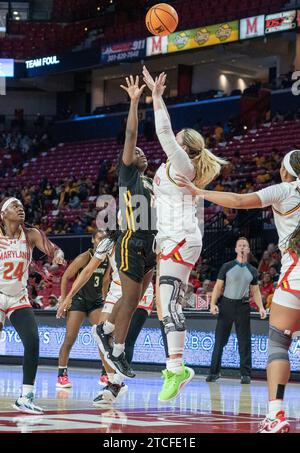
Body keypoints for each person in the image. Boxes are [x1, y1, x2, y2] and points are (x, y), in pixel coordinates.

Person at [176, 149, 300, 433]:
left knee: (279, 345)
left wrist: (198, 191)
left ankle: (276, 415)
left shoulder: (285, 190)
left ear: (285, 171)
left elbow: (239, 201)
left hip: (295, 281)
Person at [142, 67, 227, 401]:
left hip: (180, 236)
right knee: (166, 307)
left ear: (185, 148)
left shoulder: (183, 165)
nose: (171, 142)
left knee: (169, 304)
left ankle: (176, 369)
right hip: (173, 236)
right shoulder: (172, 168)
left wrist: (158, 98)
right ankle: (177, 367)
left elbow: (164, 132)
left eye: (177, 142)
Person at [90, 75, 156, 379]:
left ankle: (105, 329)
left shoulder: (151, 182)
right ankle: (117, 352)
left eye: (144, 152)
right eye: (136, 151)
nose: (140, 152)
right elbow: (131, 135)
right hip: (131, 239)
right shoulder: (128, 174)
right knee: (130, 299)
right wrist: (134, 102)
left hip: (151, 243)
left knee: (137, 297)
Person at [57, 231, 154, 407]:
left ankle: (115, 385)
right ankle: (112, 380)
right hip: (115, 291)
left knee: (126, 339)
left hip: (140, 290)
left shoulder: (146, 237)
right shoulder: (108, 242)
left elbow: (153, 269)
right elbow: (86, 271)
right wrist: (67, 297)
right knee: (100, 336)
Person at [0, 197, 64, 414]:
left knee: (33, 340)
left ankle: (26, 396)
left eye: (21, 206)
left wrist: (58, 257)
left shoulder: (31, 234)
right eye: (14, 207)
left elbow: (54, 250)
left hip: (18, 296)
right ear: (3, 214)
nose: (20, 209)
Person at [205, 237, 266, 384]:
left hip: (243, 307)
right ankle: (214, 372)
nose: (243, 247)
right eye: (240, 245)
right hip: (226, 305)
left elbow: (256, 292)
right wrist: (213, 304)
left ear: (249, 249)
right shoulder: (227, 266)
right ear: (236, 249)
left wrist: (261, 307)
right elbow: (218, 287)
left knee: (244, 342)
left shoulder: (252, 270)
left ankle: (246, 374)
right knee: (220, 340)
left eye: (245, 245)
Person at [56, 230, 111, 388]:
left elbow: (106, 280)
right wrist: (64, 300)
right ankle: (62, 374)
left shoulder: (106, 258)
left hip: (96, 301)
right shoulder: (85, 257)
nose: (102, 241)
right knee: (70, 339)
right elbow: (66, 277)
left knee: (103, 338)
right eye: (99, 238)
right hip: (78, 301)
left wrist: (106, 299)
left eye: (105, 239)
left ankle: (105, 374)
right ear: (93, 240)